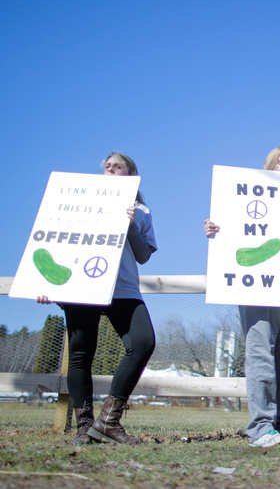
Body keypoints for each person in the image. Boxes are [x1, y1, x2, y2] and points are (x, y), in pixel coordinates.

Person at [204, 145, 280, 448]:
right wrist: (214, 229)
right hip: (255, 286)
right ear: (268, 167)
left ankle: (279, 426)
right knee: (261, 353)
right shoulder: (244, 197)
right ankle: (260, 427)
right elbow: (228, 227)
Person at [37, 152, 157, 445]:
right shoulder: (78, 203)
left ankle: (108, 421)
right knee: (80, 354)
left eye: (119, 167)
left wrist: (129, 225)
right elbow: (57, 240)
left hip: (123, 289)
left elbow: (143, 256)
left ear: (131, 176)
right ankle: (84, 426)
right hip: (81, 287)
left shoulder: (141, 211)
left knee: (142, 343)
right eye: (107, 167)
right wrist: (47, 283)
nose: (111, 170)